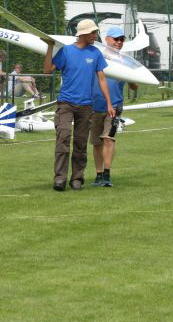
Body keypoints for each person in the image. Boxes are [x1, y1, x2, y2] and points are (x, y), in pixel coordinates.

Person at [44, 19, 114, 192]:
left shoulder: (95, 53)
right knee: (63, 138)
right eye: (93, 32)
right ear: (83, 34)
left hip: (86, 106)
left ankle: (77, 179)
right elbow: (47, 70)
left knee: (81, 144)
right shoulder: (66, 51)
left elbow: (102, 78)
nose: (95, 35)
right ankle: (60, 179)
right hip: (66, 103)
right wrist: (49, 47)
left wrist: (109, 104)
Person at [90, 26, 138, 187]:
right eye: (115, 39)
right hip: (94, 106)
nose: (119, 42)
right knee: (97, 142)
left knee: (108, 139)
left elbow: (134, 86)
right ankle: (98, 174)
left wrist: (131, 77)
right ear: (106, 40)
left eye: (121, 40)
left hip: (115, 106)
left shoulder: (125, 60)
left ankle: (107, 174)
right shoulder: (96, 55)